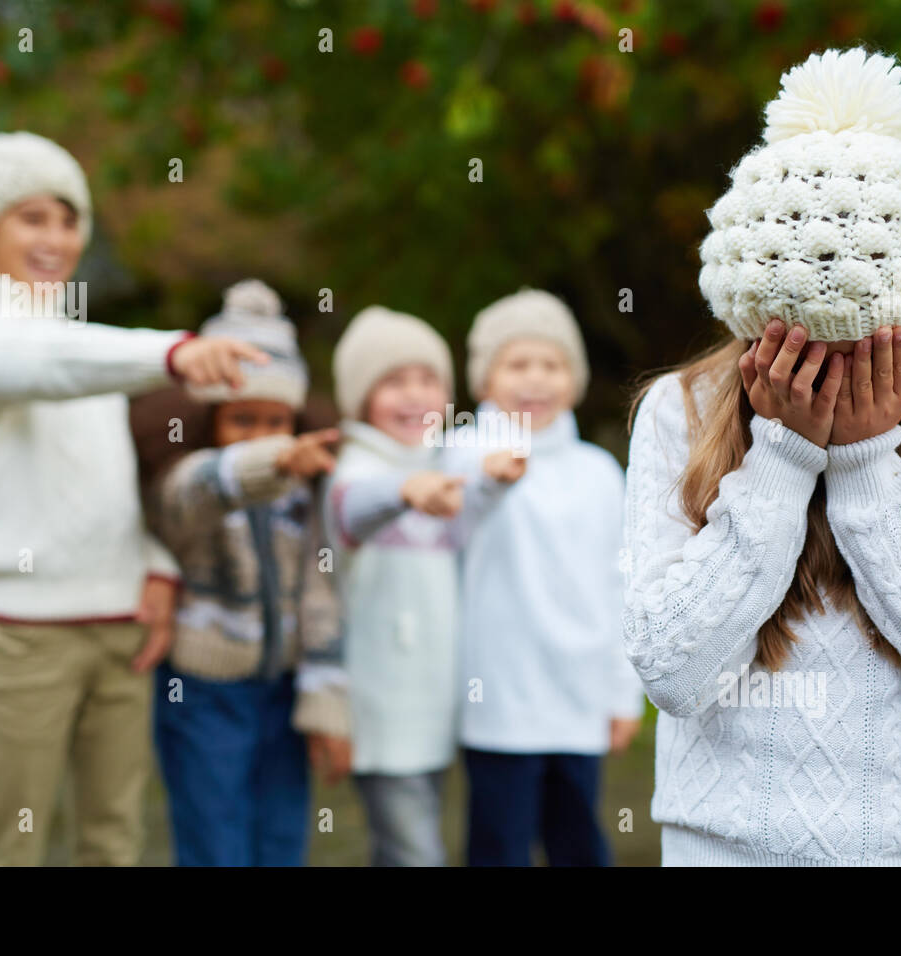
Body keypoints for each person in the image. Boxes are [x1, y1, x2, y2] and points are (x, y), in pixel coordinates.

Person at [623, 48, 901, 866]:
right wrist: (781, 458)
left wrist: (864, 463)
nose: (834, 359)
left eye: (868, 330)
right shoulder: (682, 411)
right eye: (797, 333)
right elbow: (672, 673)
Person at [0, 131, 264, 865]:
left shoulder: (85, 348)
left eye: (69, 219)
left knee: (113, 843)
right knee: (5, 849)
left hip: (122, 633)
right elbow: (44, 365)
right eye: (32, 218)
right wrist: (171, 352)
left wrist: (155, 564)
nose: (57, 238)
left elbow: (101, 482)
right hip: (26, 637)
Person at [134, 279, 349, 866]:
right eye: (242, 420)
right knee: (214, 839)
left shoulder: (306, 496)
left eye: (276, 421)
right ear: (207, 421)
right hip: (204, 692)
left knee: (281, 839)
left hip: (283, 688)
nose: (260, 436)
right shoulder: (189, 480)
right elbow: (194, 493)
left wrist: (327, 697)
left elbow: (321, 590)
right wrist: (271, 460)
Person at [325, 305, 524, 866]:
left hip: (434, 706)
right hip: (381, 709)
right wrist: (408, 489)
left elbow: (461, 519)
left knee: (404, 849)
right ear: (360, 396)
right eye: (394, 381)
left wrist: (493, 483)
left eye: (427, 379)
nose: (415, 396)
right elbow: (357, 507)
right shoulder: (354, 470)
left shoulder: (444, 460)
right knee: (416, 852)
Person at [454, 288, 646, 867]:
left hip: (580, 695)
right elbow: (460, 508)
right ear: (485, 378)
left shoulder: (598, 471)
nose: (535, 379)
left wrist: (623, 693)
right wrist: (492, 477)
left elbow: (623, 584)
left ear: (575, 377)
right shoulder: (463, 452)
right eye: (517, 364)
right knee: (499, 846)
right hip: (498, 699)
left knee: (579, 845)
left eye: (552, 364)